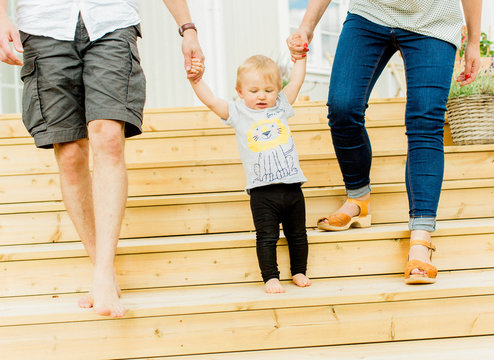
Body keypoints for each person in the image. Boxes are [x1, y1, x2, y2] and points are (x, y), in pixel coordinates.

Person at [0, 0, 204, 317]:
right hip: (43, 24)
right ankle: (101, 266)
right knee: (69, 153)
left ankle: (104, 273)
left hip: (111, 18)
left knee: (108, 135)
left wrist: (187, 28)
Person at [287, 0, 482, 284]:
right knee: (343, 107)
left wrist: (473, 42)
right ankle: (358, 198)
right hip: (370, 12)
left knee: (425, 123)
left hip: (433, 21)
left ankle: (421, 237)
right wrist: (306, 27)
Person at [187, 52, 312, 293]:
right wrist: (196, 81)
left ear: (277, 90)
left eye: (268, 90)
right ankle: (270, 277)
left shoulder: (281, 107)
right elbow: (212, 101)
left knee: (298, 235)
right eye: (254, 91)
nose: (262, 96)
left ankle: (299, 271)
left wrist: (301, 58)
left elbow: (296, 81)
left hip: (292, 186)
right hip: (262, 192)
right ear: (240, 91)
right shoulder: (238, 112)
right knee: (267, 236)